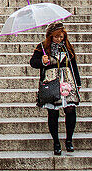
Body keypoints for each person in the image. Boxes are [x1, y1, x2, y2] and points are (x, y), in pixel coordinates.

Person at [30, 21, 81, 154]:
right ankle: (56, 142)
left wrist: (78, 83)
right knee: (53, 112)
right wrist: (43, 61)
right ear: (50, 36)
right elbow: (33, 63)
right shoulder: (42, 47)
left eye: (61, 36)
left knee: (70, 109)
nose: (59, 39)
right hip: (51, 80)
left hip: (68, 80)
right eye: (56, 36)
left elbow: (73, 65)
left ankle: (69, 140)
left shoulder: (68, 47)